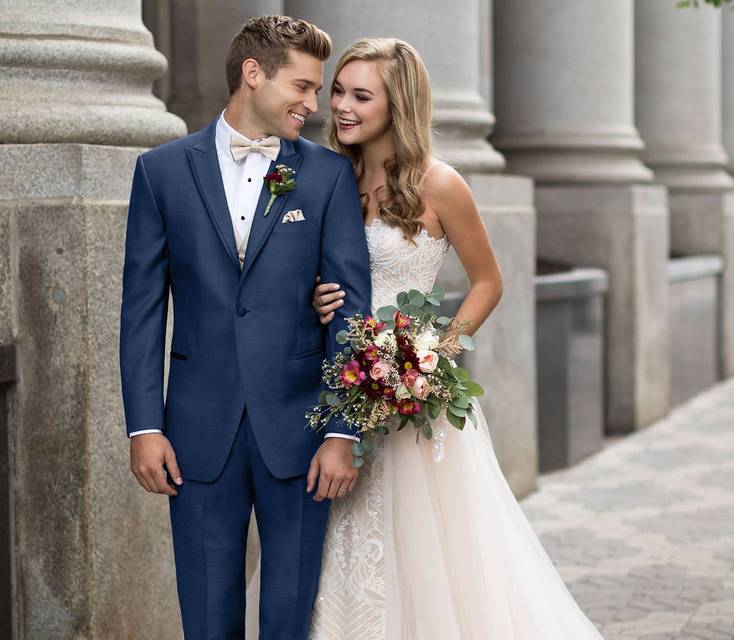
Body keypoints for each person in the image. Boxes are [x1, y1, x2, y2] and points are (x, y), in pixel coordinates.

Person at [306, 37, 604, 639]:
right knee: (342, 537)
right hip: (335, 387)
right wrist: (313, 299)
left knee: (427, 551)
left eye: (361, 95)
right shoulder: (328, 176)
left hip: (412, 401)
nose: (341, 105)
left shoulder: (440, 185)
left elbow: (489, 283)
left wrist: (427, 355)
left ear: (399, 104)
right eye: (338, 90)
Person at [119, 16, 371, 639]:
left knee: (289, 615)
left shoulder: (325, 175)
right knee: (206, 615)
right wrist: (145, 426)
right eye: (305, 86)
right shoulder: (161, 171)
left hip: (301, 429)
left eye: (319, 90)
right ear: (253, 75)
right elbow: (143, 310)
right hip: (196, 433)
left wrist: (341, 430)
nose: (316, 105)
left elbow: (352, 313)